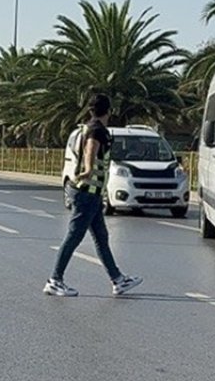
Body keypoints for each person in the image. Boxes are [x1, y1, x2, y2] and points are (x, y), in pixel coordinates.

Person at [44, 93, 142, 297]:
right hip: (86, 192)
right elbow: (91, 148)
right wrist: (88, 169)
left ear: (90, 110)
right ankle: (55, 280)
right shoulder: (96, 130)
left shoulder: (88, 128)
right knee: (74, 236)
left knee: (101, 237)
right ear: (110, 111)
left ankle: (118, 280)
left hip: (93, 194)